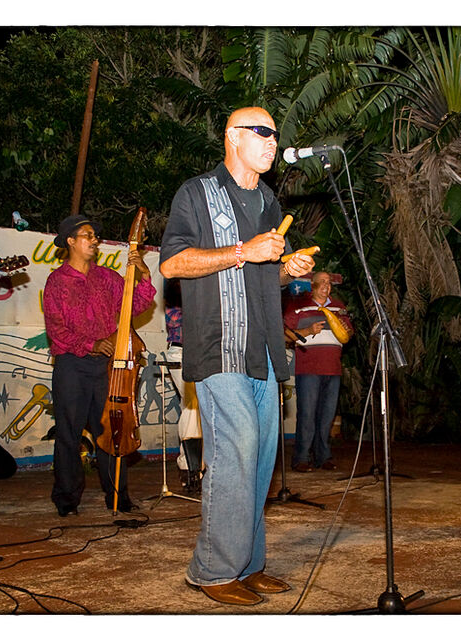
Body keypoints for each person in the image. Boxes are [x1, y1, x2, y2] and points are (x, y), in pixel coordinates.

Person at [159, 106, 316, 606]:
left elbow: (264, 273)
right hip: (219, 342)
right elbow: (173, 263)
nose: (273, 142)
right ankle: (211, 570)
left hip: (265, 346)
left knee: (262, 456)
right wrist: (242, 250)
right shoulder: (197, 193)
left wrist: (288, 267)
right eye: (263, 132)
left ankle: (247, 564)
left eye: (276, 134)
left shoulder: (269, 200)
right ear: (232, 137)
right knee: (237, 450)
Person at [43, 214, 156, 517]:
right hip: (71, 365)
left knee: (111, 432)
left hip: (106, 368)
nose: (94, 240)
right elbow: (56, 329)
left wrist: (144, 276)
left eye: (95, 236)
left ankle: (118, 496)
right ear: (70, 241)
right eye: (88, 235)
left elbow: (135, 305)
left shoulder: (107, 278)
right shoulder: (57, 282)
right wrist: (92, 344)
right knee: (69, 433)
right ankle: (67, 500)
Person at [283, 271, 353, 472]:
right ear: (312, 285)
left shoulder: (338, 307)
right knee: (307, 414)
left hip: (333, 368)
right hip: (308, 369)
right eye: (321, 282)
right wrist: (307, 331)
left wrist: (346, 329)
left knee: (327, 416)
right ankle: (301, 458)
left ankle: (323, 457)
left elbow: (348, 333)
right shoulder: (299, 306)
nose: (326, 285)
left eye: (328, 283)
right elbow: (285, 334)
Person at [163, 279, 203, 494]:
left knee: (195, 406)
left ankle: (193, 464)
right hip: (180, 352)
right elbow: (176, 321)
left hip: (203, 354)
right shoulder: (174, 294)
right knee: (192, 404)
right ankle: (190, 466)